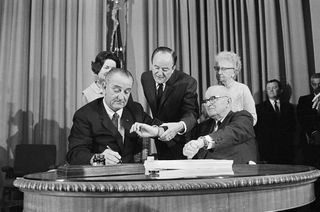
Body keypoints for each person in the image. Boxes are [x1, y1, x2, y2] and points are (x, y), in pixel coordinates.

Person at [67, 68, 163, 165]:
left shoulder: (136, 110)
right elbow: (74, 154)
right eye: (117, 90)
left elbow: (164, 129)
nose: (121, 97)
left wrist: (156, 131)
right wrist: (99, 159)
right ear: (104, 87)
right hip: (100, 176)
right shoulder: (85, 115)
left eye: (126, 92)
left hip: (131, 175)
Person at [140, 46, 199, 159]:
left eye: (165, 69)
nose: (159, 73)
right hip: (160, 139)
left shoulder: (187, 83)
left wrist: (179, 126)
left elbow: (191, 114)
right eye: (156, 67)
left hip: (182, 142)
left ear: (173, 68)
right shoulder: (146, 78)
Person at [182, 85, 257, 164]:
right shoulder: (203, 126)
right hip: (207, 173)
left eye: (213, 99)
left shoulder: (243, 117)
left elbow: (231, 133)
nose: (208, 104)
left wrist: (203, 142)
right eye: (206, 101)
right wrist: (189, 150)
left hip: (238, 172)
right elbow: (194, 150)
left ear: (228, 102)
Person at [255, 79, 296, 164]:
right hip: (268, 151)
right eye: (268, 88)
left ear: (280, 90)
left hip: (287, 150)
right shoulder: (259, 108)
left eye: (274, 87)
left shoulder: (289, 107)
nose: (271, 90)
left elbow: (293, 128)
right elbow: (257, 130)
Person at [214, 51, 257, 125]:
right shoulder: (213, 91)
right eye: (217, 69)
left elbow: (252, 118)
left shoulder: (242, 89)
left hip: (236, 133)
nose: (219, 72)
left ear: (234, 72)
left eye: (223, 69)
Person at [297, 73, 320, 211]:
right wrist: (314, 133)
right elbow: (302, 119)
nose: (317, 87)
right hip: (312, 146)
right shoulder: (304, 100)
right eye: (314, 84)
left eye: (319, 84)